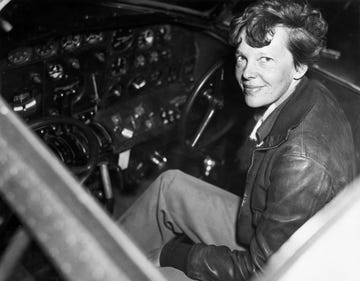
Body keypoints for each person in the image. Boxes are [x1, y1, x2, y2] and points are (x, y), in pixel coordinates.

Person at [117, 0, 356, 280]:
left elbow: (261, 270)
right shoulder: (309, 92)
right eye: (242, 57)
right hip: (265, 231)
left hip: (284, 272)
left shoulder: (302, 161)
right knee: (169, 188)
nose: (247, 73)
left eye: (265, 59)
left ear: (299, 66)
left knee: (164, 271)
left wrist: (173, 255)